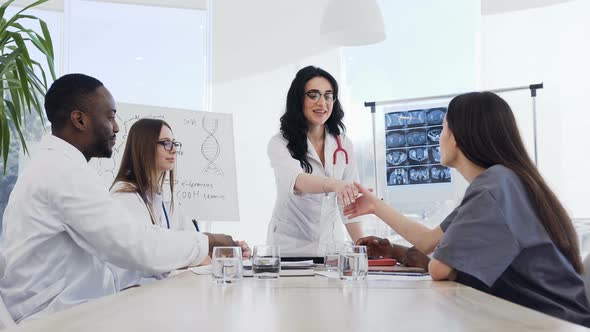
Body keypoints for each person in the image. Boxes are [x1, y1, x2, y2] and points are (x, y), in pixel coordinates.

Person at [344, 91, 590, 326]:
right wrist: (376, 207)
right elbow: (429, 240)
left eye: (442, 128)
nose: (438, 138)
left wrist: (429, 262)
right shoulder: (503, 181)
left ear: (457, 136)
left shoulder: (492, 186)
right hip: (546, 317)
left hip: (552, 322)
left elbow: (440, 268)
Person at [0, 74, 223, 323]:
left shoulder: (57, 166)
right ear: (79, 120)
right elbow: (131, 244)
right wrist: (207, 242)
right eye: (110, 116)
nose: (116, 127)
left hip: (72, 312)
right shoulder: (62, 173)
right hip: (54, 320)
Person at [108, 118, 250, 285]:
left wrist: (226, 253)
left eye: (174, 143)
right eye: (166, 143)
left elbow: (191, 244)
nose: (173, 150)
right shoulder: (125, 196)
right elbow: (154, 256)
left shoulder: (164, 195)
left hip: (164, 291)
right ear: (144, 147)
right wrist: (216, 252)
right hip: (136, 295)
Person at [266, 65, 365, 255]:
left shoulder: (343, 144)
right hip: (289, 248)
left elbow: (349, 202)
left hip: (331, 248)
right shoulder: (280, 143)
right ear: (298, 99)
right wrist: (336, 184)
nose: (322, 103)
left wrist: (363, 245)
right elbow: (298, 181)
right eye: (313, 95)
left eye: (328, 96)